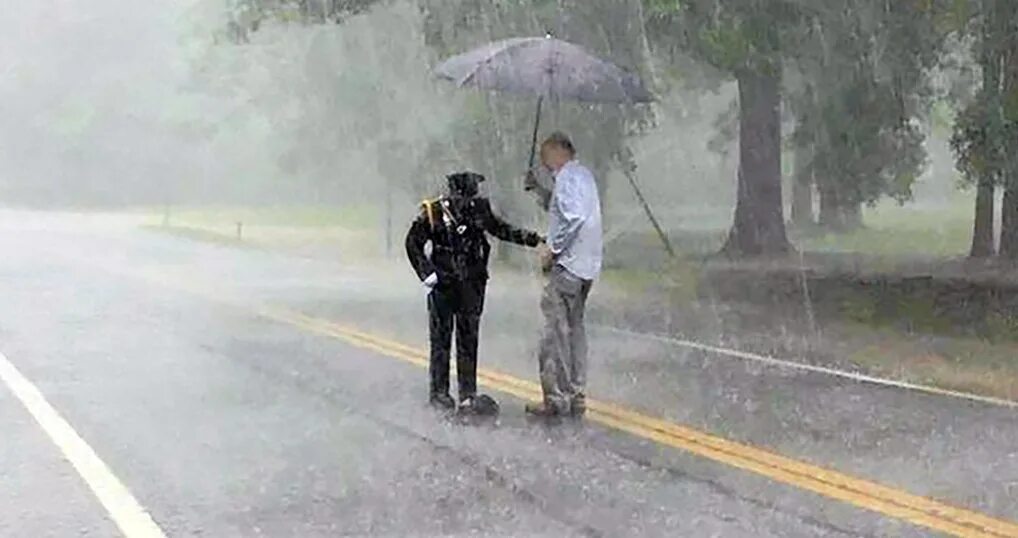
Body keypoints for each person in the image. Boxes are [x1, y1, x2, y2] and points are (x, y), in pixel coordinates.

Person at [405, 171, 545, 412]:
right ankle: (440, 392)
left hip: (471, 284)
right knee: (442, 340)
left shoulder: (478, 209)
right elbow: (413, 242)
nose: (474, 194)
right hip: (445, 285)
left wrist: (533, 239)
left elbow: (500, 229)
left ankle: (467, 393)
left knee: (466, 340)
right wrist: (428, 274)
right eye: (472, 188)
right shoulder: (434, 211)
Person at [525, 132, 603, 418]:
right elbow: (564, 209)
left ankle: (556, 398)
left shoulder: (568, 177)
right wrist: (540, 191)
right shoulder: (583, 176)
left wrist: (552, 249)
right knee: (574, 331)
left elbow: (572, 217)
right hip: (587, 267)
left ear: (560, 151)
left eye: (546, 156)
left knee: (554, 334)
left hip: (568, 266)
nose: (544, 163)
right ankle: (577, 393)